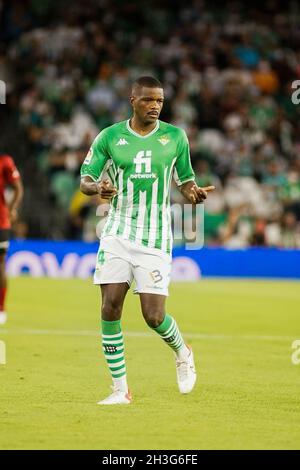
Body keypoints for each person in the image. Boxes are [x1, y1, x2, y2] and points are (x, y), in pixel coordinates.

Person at [80, 76, 215, 405]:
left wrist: (193, 193)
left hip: (155, 236)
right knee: (110, 308)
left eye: (160, 101)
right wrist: (98, 188)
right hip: (117, 231)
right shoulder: (110, 137)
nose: (155, 106)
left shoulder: (175, 137)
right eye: (148, 100)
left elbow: (185, 180)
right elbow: (85, 180)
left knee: (153, 316)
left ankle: (182, 350)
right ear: (133, 100)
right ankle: (120, 390)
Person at [0, 154, 23, 325]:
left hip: (1, 221)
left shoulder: (5, 161)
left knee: (0, 264)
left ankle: (0, 308)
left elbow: (17, 188)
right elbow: (18, 188)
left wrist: (10, 209)